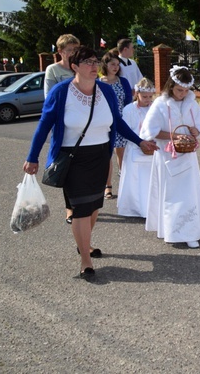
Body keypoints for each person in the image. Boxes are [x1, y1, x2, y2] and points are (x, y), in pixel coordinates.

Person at [24, 47, 157, 279]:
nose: (94, 66)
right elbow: (43, 126)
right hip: (73, 158)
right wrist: (32, 157)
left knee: (95, 207)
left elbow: (118, 121)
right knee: (81, 209)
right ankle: (85, 259)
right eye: (87, 62)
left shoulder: (105, 90)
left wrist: (139, 141)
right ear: (74, 67)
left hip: (100, 156)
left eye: (95, 61)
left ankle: (84, 243)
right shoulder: (61, 92)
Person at [140, 65, 200, 248]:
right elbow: (150, 132)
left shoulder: (192, 103)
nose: (183, 94)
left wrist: (195, 131)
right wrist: (173, 136)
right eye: (180, 90)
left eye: (186, 90)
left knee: (189, 192)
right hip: (167, 155)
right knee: (172, 194)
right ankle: (171, 229)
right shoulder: (160, 104)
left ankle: (192, 231)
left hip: (187, 155)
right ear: (171, 86)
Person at [117, 78, 156, 218]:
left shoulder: (154, 108)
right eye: (144, 96)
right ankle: (135, 207)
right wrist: (140, 140)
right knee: (135, 179)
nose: (148, 99)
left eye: (150, 97)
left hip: (152, 147)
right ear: (137, 94)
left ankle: (151, 207)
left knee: (150, 179)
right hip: (135, 146)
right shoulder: (129, 109)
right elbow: (127, 129)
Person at [99, 51, 133, 200]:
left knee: (122, 154)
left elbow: (129, 102)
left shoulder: (122, 81)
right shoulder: (98, 82)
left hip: (121, 121)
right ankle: (108, 186)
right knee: (107, 155)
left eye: (117, 64)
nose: (115, 67)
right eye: (112, 64)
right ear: (105, 65)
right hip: (104, 122)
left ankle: (125, 184)